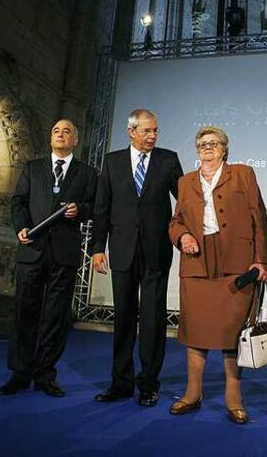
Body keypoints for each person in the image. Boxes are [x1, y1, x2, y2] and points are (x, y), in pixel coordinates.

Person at [169, 126, 267, 424]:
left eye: (214, 143)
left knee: (232, 332)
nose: (208, 148)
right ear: (196, 148)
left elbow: (258, 217)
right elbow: (175, 221)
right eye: (202, 144)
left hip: (235, 262)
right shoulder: (185, 181)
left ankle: (233, 396)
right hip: (197, 262)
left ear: (224, 148)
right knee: (195, 331)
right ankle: (192, 393)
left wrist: (261, 260)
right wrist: (183, 236)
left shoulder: (243, 173)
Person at [0, 119, 97, 397]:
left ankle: (45, 374)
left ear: (76, 140)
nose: (61, 134)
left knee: (55, 315)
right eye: (56, 130)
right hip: (32, 250)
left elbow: (95, 207)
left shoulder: (87, 173)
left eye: (67, 131)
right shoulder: (32, 168)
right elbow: (18, 202)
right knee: (24, 312)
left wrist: (81, 211)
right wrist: (20, 228)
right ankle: (19, 373)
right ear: (50, 138)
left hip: (64, 253)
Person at [92, 109, 183, 407]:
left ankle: (148, 384)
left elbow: (185, 203)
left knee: (154, 319)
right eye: (147, 131)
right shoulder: (112, 161)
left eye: (156, 130)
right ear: (131, 131)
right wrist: (96, 248)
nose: (153, 136)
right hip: (122, 249)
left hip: (157, 250)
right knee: (124, 318)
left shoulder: (168, 160)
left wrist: (185, 235)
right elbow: (102, 208)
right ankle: (120, 383)